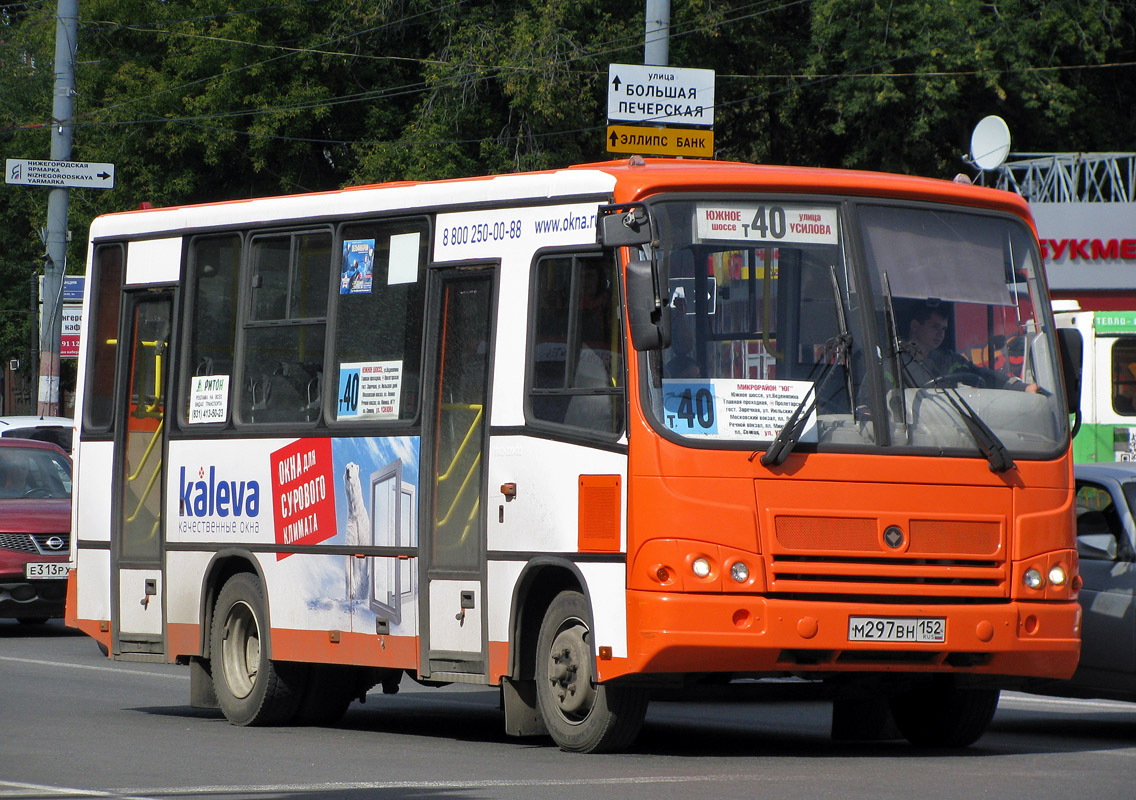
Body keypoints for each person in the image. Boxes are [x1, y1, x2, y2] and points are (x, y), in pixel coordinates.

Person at [904, 300, 1036, 392]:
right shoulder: (894, 362)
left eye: (944, 329)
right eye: (935, 327)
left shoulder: (949, 361)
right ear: (915, 326)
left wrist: (1022, 387)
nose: (940, 334)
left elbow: (981, 375)